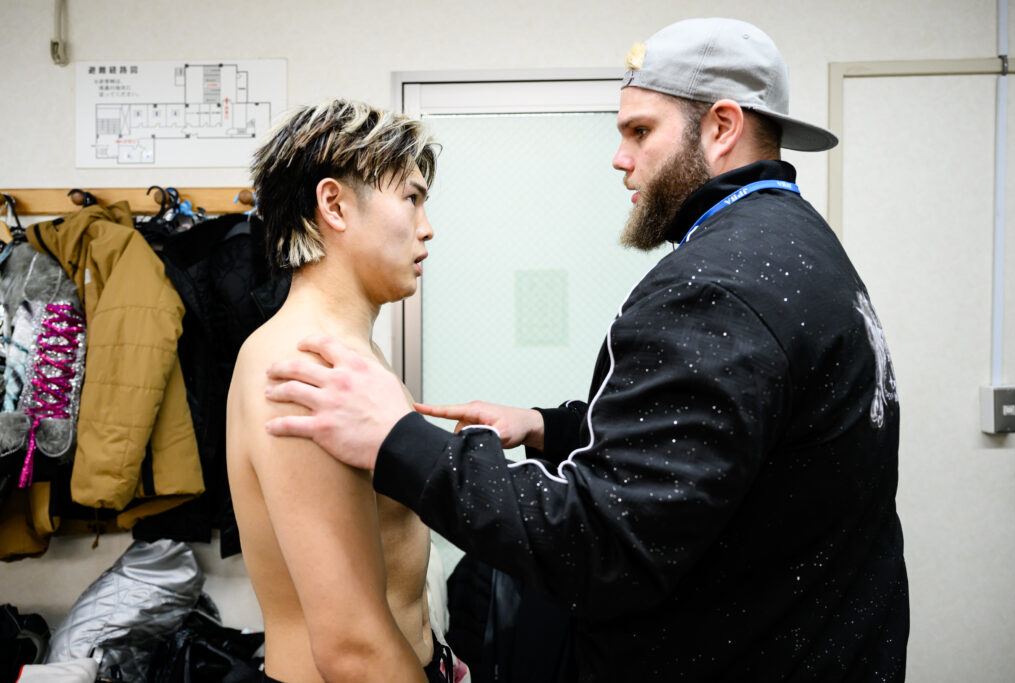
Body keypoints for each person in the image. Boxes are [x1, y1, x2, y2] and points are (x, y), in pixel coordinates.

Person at [264, 18, 910, 682]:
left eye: (640, 131)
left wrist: (402, 442)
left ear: (722, 128)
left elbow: (603, 542)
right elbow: (714, 447)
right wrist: (551, 427)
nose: (620, 157)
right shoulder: (800, 246)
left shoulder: (718, 285)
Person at [226, 99, 462, 682]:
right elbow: (351, 646)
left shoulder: (350, 353)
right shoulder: (301, 364)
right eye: (411, 198)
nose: (427, 227)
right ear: (334, 205)